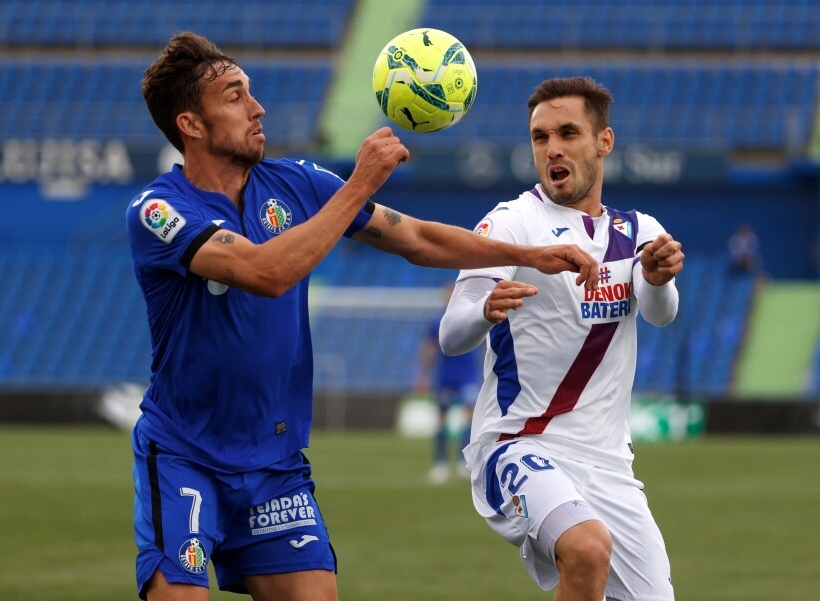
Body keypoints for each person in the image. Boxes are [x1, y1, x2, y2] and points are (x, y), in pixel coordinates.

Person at [126, 33, 600, 601]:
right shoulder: (157, 212)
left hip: (274, 460)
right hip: (186, 454)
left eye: (251, 92)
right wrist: (359, 183)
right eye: (235, 97)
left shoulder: (296, 182)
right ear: (192, 125)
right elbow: (265, 273)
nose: (258, 108)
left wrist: (525, 254)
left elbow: (418, 238)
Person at [439, 76, 685, 601]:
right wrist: (484, 309)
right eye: (540, 136)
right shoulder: (512, 222)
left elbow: (661, 314)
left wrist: (659, 281)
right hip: (518, 445)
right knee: (588, 549)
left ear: (604, 142)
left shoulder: (638, 230)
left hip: (609, 463)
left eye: (568, 132)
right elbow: (451, 334)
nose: (552, 148)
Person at [414, 283, 483, 484]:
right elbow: (428, 349)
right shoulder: (437, 322)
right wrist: (423, 374)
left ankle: (464, 464)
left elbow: (485, 345)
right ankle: (440, 464)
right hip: (445, 377)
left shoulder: (470, 317)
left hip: (467, 376)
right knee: (441, 422)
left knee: (467, 421)